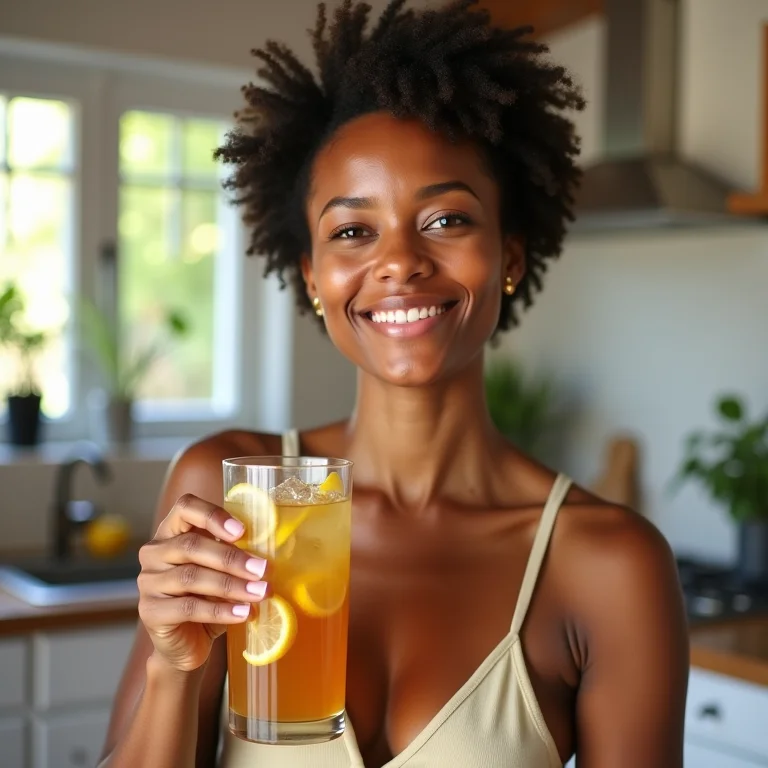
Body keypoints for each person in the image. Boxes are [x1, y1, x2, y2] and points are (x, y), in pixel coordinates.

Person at [98, 1, 689, 766]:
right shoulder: (230, 496)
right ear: (313, 276)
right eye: (352, 231)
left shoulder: (610, 566)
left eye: (446, 220)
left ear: (509, 258)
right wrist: (173, 668)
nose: (400, 261)